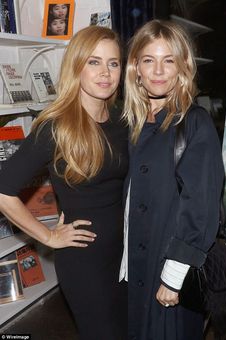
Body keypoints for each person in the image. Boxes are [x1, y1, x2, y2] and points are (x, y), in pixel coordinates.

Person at [0, 25, 128, 340]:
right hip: (84, 259)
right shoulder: (56, 127)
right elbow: (3, 190)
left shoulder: (122, 122)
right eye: (94, 62)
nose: (105, 72)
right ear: (76, 66)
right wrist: (48, 236)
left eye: (113, 63)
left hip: (124, 255)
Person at [120, 19, 225, 340]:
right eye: (148, 60)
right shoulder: (132, 122)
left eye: (169, 60)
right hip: (134, 268)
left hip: (167, 270)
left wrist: (174, 274)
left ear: (183, 66)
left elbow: (202, 204)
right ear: (135, 67)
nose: (158, 71)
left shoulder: (194, 122)